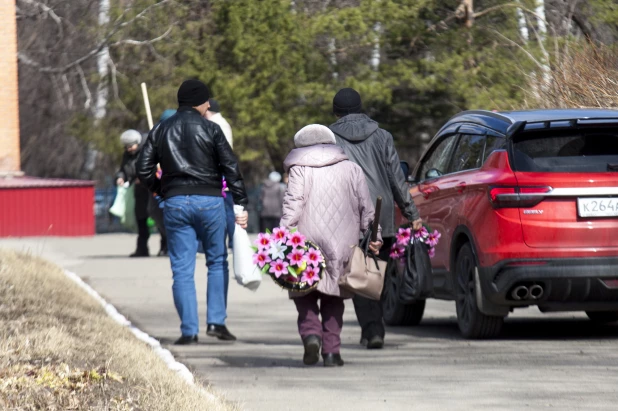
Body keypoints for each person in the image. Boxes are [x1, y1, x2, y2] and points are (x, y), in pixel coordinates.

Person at [137, 80, 249, 345]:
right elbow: (231, 168)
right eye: (207, 101)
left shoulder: (161, 129)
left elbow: (143, 169)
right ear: (201, 102)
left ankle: (189, 330)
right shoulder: (212, 129)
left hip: (175, 202)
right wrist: (240, 205)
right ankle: (216, 322)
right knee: (217, 261)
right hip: (210, 201)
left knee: (182, 269)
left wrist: (160, 189)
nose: (209, 105)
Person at [281, 124, 382, 367]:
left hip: (305, 240)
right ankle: (331, 352)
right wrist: (375, 236)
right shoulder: (352, 168)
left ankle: (311, 334)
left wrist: (282, 236)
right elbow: (366, 208)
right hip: (342, 242)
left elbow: (293, 205)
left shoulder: (299, 169)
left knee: (303, 292)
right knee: (334, 297)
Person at [328, 88, 422, 349]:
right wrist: (412, 213)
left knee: (359, 272)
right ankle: (373, 328)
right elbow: (396, 178)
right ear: (361, 108)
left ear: (336, 112)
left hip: (348, 215)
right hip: (383, 215)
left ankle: (372, 329)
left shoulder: (330, 137)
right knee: (377, 271)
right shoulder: (382, 136)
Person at [146, 109, 177, 257]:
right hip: (158, 186)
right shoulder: (155, 139)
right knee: (156, 212)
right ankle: (166, 243)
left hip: (176, 186)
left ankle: (176, 246)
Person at [116, 129, 151, 257]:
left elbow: (152, 167)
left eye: (131, 146)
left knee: (158, 220)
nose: (129, 149)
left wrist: (143, 178)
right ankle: (142, 249)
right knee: (141, 220)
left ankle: (165, 246)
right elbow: (123, 169)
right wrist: (121, 177)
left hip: (151, 190)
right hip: (138, 192)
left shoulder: (148, 150)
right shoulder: (127, 155)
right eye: (126, 147)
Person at [206, 99, 235, 249]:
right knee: (226, 210)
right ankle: (229, 243)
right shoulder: (222, 122)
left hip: (220, 172)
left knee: (225, 210)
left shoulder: (216, 124)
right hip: (224, 170)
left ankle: (230, 243)